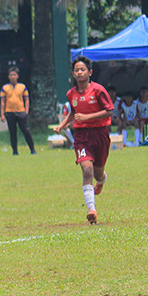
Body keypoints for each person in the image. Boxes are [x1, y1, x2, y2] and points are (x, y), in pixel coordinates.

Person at [54, 56, 113, 225]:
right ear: (73, 74)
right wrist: (62, 124)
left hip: (100, 134)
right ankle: (92, 210)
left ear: (90, 72)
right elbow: (73, 112)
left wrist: (87, 116)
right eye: (77, 70)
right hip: (81, 136)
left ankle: (101, 181)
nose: (80, 72)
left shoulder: (98, 90)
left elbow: (109, 111)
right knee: (87, 171)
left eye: (83, 69)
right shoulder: (71, 93)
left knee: (98, 173)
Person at [0, 67, 36, 155]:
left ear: (17, 76)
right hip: (9, 112)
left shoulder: (22, 87)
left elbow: (26, 100)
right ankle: (15, 151)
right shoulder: (5, 87)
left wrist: (26, 111)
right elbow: (2, 102)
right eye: (11, 75)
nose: (13, 77)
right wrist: (2, 114)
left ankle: (32, 149)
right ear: (8, 76)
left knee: (26, 131)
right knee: (13, 133)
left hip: (21, 112)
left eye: (14, 75)